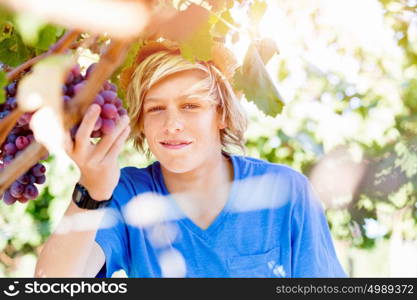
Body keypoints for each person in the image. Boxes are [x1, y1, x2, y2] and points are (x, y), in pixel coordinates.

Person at [35, 43, 346, 278]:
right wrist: (92, 190)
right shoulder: (125, 192)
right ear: (141, 120)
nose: (172, 124)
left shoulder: (286, 190)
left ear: (221, 114)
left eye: (190, 106)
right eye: (156, 109)